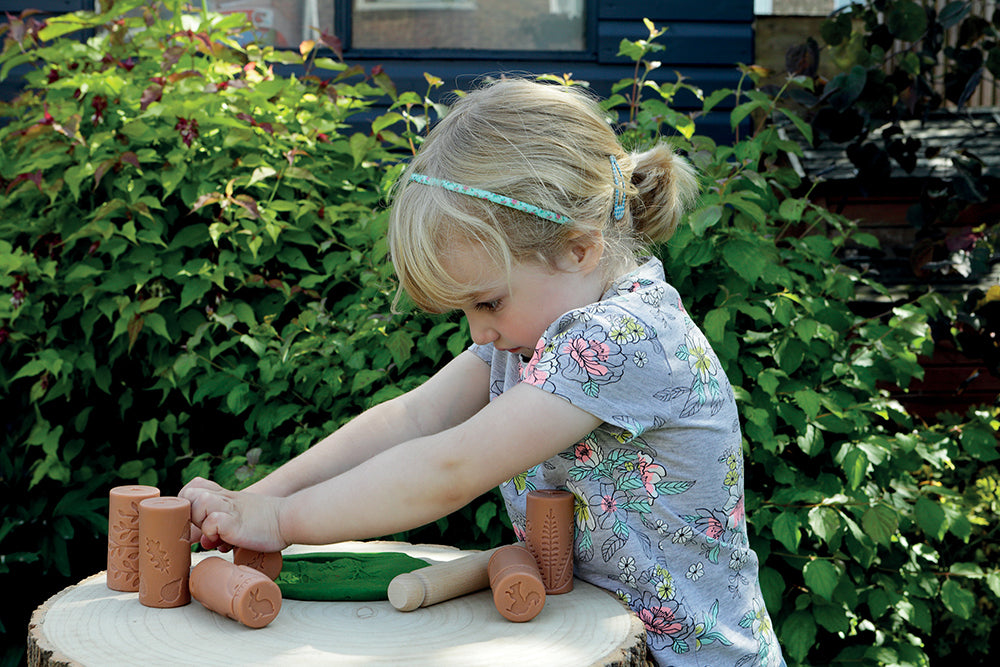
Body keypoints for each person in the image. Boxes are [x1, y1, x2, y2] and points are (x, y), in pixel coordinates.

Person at [180, 78, 785, 666]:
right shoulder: (534, 333)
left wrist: (283, 522)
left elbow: (451, 467)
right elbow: (414, 418)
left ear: (580, 247)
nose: (478, 332)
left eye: (487, 302)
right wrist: (254, 500)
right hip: (592, 640)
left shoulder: (624, 338)